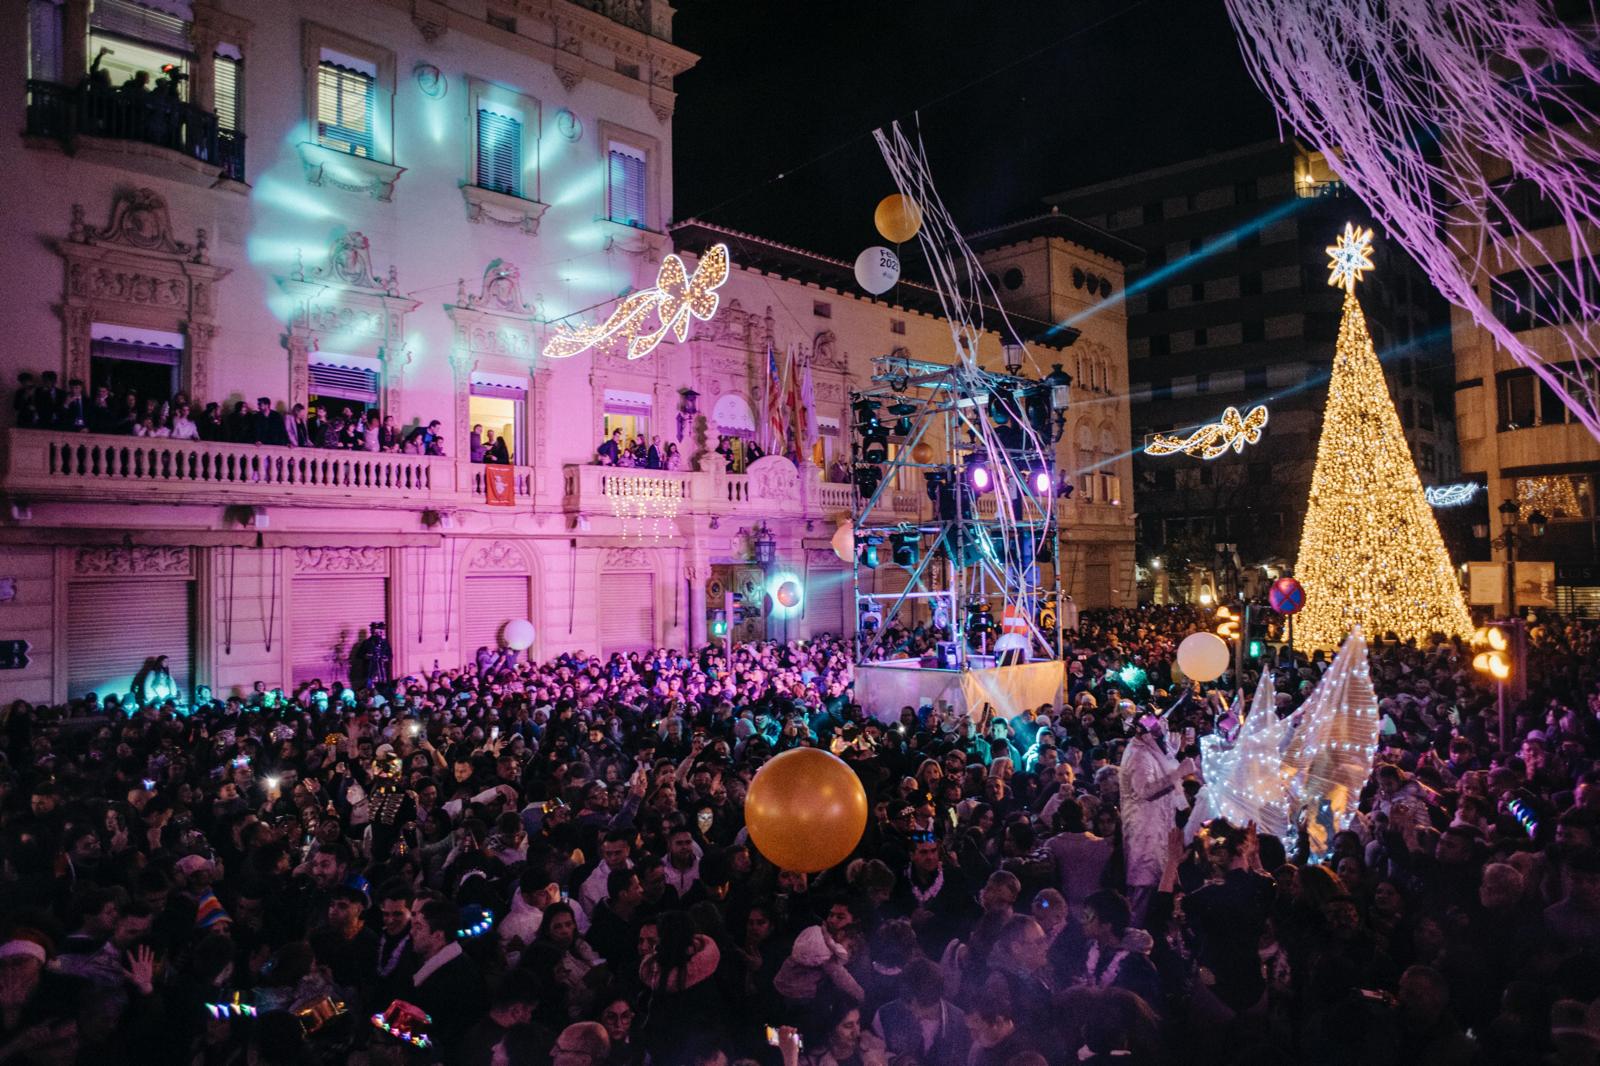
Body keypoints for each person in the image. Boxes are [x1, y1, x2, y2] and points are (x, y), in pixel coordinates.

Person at [351, 621, 393, 690]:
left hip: (382, 671)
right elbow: (359, 655)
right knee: (370, 688)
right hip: (370, 670)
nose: (377, 634)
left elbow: (390, 655)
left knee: (383, 688)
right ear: (372, 632)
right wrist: (367, 656)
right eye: (375, 632)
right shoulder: (367, 643)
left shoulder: (385, 643)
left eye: (379, 632)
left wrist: (386, 658)